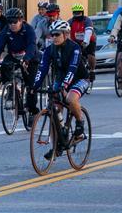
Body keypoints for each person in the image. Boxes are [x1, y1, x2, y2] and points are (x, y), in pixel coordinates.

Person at [33, 19, 90, 157]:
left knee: (70, 98)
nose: (54, 37)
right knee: (53, 110)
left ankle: (80, 124)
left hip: (79, 78)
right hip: (60, 79)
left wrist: (65, 85)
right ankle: (56, 145)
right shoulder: (49, 50)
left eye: (57, 34)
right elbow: (42, 68)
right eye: (52, 35)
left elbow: (72, 68)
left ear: (66, 34)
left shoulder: (74, 48)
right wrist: (34, 86)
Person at [0, 7, 38, 114]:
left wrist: (26, 59)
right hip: (13, 55)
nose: (12, 24)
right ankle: (11, 89)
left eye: (14, 21)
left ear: (21, 20)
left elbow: (32, 45)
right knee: (3, 66)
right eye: (9, 22)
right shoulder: (6, 30)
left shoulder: (28, 29)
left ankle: (32, 111)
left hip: (29, 57)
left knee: (31, 85)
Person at [69, 4, 97, 83]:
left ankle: (92, 70)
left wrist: (85, 42)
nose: (77, 15)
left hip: (89, 40)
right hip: (76, 41)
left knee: (90, 55)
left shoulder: (87, 20)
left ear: (82, 13)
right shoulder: (71, 21)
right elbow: (66, 30)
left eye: (79, 13)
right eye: (75, 13)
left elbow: (88, 32)